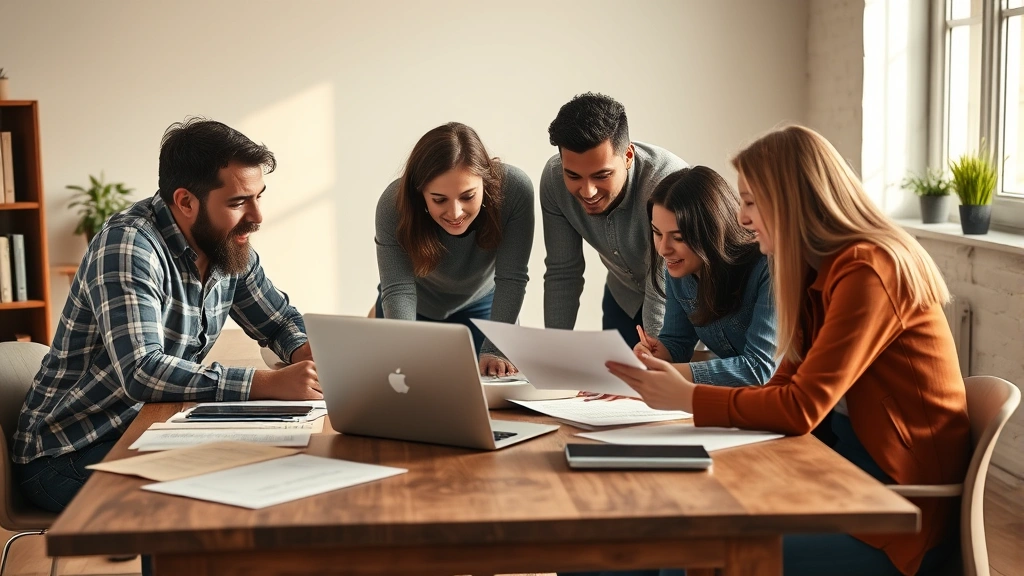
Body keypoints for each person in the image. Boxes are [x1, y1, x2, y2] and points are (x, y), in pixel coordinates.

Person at [607, 125, 970, 576]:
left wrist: (684, 395)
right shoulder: (816, 271)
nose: (740, 218)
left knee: (688, 553)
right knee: (652, 531)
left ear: (793, 200)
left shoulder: (871, 269)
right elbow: (782, 386)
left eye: (752, 202)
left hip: (895, 512)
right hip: (838, 479)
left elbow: (800, 408)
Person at [12, 118, 322, 517]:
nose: (257, 216)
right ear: (186, 201)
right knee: (215, 502)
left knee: (278, 464)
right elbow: (142, 369)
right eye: (238, 202)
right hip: (67, 453)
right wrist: (264, 383)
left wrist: (308, 355)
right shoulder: (128, 246)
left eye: (259, 196)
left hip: (148, 429)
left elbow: (279, 321)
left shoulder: (226, 245)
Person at [374, 122, 534, 376]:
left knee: (489, 386)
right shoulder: (393, 204)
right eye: (439, 200)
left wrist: (499, 346)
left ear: (486, 181)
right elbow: (399, 290)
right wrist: (404, 349)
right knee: (402, 382)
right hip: (410, 306)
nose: (455, 213)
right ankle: (374, 320)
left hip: (482, 305)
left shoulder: (514, 190)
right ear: (420, 193)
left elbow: (512, 278)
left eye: (468, 196)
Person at [541, 93, 687, 348]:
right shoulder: (554, 180)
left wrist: (652, 363)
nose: (588, 191)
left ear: (628, 155)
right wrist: (555, 353)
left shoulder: (667, 183)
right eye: (573, 176)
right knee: (613, 384)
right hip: (623, 297)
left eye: (602, 175)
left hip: (679, 299)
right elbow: (563, 271)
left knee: (658, 380)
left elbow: (660, 282)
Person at [637, 165, 776, 386]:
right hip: (742, 401)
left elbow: (759, 369)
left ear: (713, 231)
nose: (663, 249)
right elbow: (677, 342)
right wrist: (658, 355)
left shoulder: (767, 266)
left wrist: (663, 373)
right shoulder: (677, 268)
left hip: (803, 403)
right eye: (657, 233)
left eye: (679, 237)